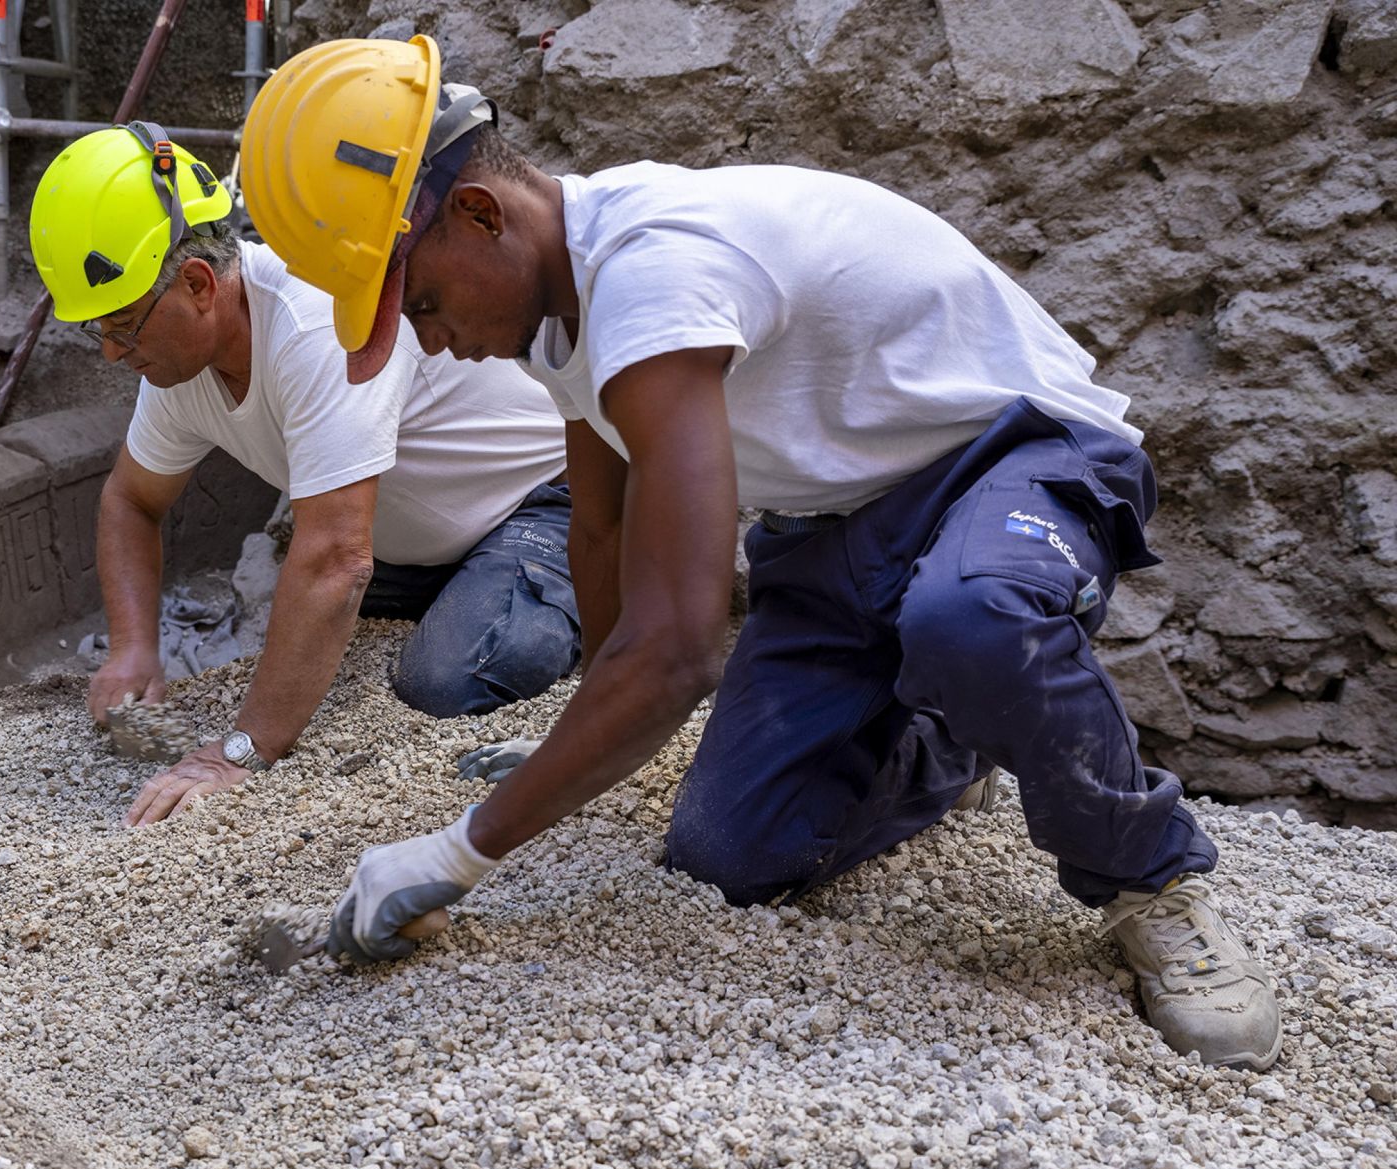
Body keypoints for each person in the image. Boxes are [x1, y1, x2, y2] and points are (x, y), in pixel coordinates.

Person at [237, 39, 1281, 1070]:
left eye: (418, 301)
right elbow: (600, 530)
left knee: (974, 618)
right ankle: (952, 739)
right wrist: (585, 736)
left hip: (1012, 459)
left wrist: (462, 849)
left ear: (477, 215)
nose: (427, 339)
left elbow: (682, 647)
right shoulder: (559, 322)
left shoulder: (652, 272)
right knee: (730, 854)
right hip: (837, 529)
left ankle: (1154, 880)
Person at [28, 124, 580, 827]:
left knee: (445, 678)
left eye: (123, 325)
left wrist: (238, 751)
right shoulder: (176, 371)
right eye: (96, 331)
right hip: (418, 547)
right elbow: (132, 501)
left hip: (540, 504)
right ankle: (467, 593)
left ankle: (606, 577)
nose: (110, 353)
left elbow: (335, 559)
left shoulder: (314, 321)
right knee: (305, 622)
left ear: (199, 284)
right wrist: (134, 651)